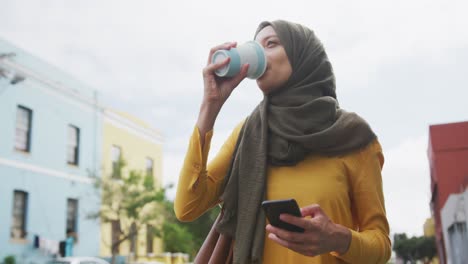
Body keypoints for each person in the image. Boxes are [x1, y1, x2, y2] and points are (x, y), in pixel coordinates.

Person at [174, 20, 391, 264]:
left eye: (271, 44)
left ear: (303, 56)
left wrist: (337, 239)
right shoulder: (249, 133)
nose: (258, 54)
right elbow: (187, 207)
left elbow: (381, 245)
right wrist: (210, 106)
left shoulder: (353, 136)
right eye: (255, 46)